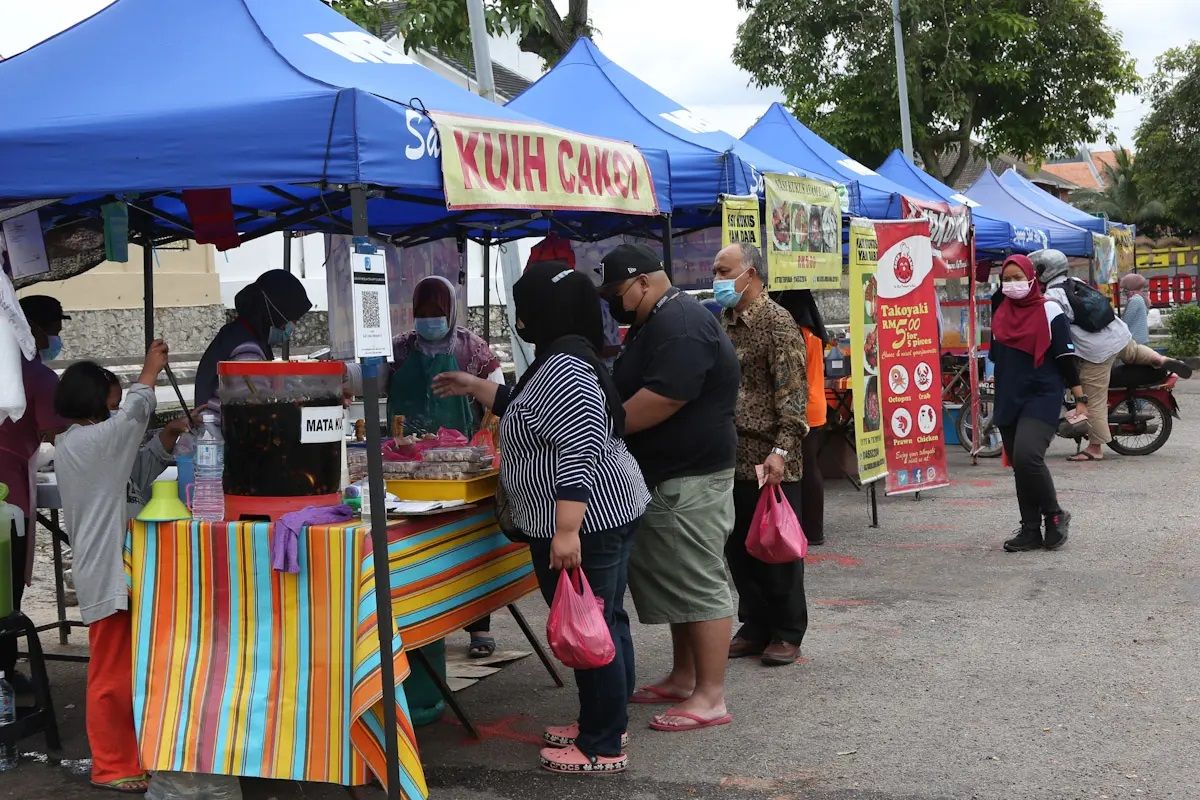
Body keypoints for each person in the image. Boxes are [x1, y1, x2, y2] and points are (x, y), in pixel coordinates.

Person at [433, 263, 648, 774]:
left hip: (588, 522)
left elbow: (578, 448)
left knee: (589, 624)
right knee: (604, 620)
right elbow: (527, 409)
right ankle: (605, 718)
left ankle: (601, 745)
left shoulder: (564, 367)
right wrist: (474, 385)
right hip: (605, 514)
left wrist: (567, 530)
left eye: (525, 309)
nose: (520, 320)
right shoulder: (563, 357)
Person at [598, 243, 740, 731]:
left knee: (699, 581)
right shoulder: (655, 319)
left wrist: (601, 429)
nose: (616, 302)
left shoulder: (680, 323)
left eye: (619, 292)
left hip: (691, 477)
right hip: (671, 474)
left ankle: (710, 696)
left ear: (642, 282)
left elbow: (663, 398)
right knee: (681, 581)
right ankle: (684, 678)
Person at [53, 341, 190, 793]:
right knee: (111, 675)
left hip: (126, 569)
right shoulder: (85, 442)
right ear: (98, 398)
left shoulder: (98, 442)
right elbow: (135, 412)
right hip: (107, 571)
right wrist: (149, 371)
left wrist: (166, 439)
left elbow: (134, 476)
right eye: (112, 394)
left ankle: (131, 754)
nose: (119, 402)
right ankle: (109, 766)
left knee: (128, 670)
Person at [388, 275, 503, 657]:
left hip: (461, 461)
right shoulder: (402, 348)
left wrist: (482, 444)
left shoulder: (474, 348)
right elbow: (369, 379)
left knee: (467, 547)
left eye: (437, 313)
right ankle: (421, 622)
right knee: (422, 548)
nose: (429, 320)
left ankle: (479, 629)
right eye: (422, 314)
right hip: (410, 462)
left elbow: (498, 399)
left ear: (451, 312)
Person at [714, 244, 810, 666]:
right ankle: (755, 624)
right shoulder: (725, 321)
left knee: (776, 548)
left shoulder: (778, 324)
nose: (716, 278)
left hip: (769, 456)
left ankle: (788, 630)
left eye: (723, 270)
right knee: (739, 546)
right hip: (732, 453)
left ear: (749, 274)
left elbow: (794, 398)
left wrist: (780, 452)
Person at [1033, 249, 1191, 462]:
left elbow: (1057, 328)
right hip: (1117, 333)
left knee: (1094, 399)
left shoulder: (1052, 296)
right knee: (1133, 351)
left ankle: (1095, 448)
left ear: (1044, 271)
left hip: (1095, 350)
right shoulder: (1075, 281)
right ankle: (1159, 359)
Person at [990, 255, 1087, 552]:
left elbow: (1064, 356)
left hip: (1042, 394)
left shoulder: (1050, 310)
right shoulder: (1000, 310)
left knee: (1028, 456)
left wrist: (1080, 398)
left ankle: (1055, 515)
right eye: (1007, 278)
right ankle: (1030, 529)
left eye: (1018, 277)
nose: (1012, 284)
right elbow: (996, 354)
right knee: (1020, 466)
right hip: (1009, 394)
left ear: (1032, 278)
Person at [0, 296, 69, 698]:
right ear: (37, 330)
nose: (58, 337)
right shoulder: (38, 377)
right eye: (55, 328)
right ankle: (5, 675)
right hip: (8, 490)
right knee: (5, 589)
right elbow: (63, 430)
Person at [194, 269, 313, 407]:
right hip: (222, 426)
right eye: (292, 319)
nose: (293, 326)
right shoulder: (247, 350)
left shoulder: (238, 333)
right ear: (275, 314)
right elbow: (255, 409)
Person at [775, 289, 829, 546]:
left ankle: (807, 531)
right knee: (812, 469)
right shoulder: (815, 333)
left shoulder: (797, 334)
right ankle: (814, 530)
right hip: (818, 407)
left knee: (802, 472)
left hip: (803, 408)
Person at [1120, 272, 1151, 345]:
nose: (1124, 293)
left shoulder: (1135, 300)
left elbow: (1126, 322)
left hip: (1135, 341)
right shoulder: (1140, 298)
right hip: (1142, 339)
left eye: (1125, 290)